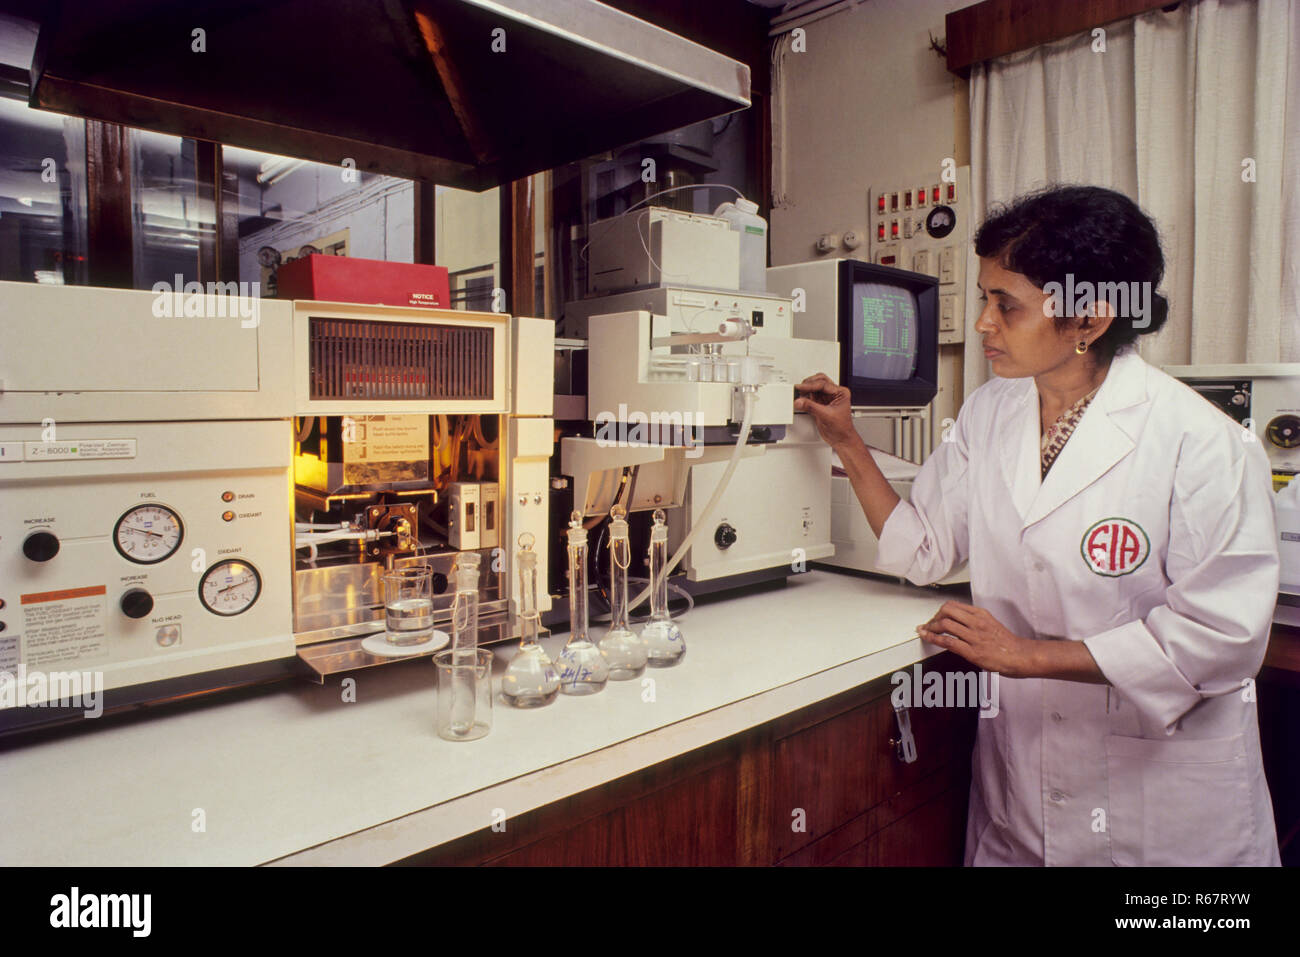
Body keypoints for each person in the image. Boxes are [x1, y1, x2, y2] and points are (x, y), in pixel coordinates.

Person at [794, 185, 1282, 866]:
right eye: (986, 298)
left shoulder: (1201, 442)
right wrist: (846, 439)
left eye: (1007, 304)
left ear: (1088, 318)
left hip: (1163, 805)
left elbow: (1219, 641)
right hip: (1023, 789)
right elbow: (925, 547)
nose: (985, 324)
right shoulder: (991, 412)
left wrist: (1024, 656)